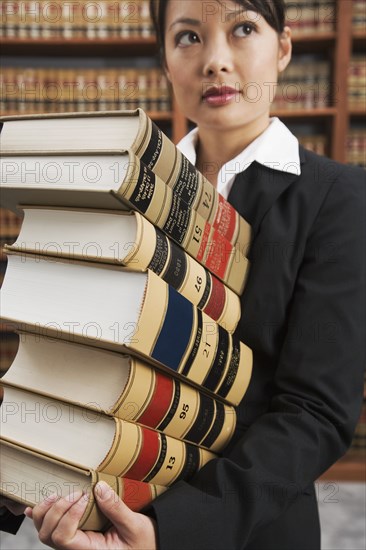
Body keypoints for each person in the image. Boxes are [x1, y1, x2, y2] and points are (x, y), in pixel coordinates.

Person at [2, 1, 365, 548]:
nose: (215, 61)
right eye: (188, 37)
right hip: (111, 502)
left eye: (244, 29)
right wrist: (33, 478)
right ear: (165, 59)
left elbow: (316, 411)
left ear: (284, 47)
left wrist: (169, 534)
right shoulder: (125, 192)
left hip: (252, 530)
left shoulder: (337, 198)